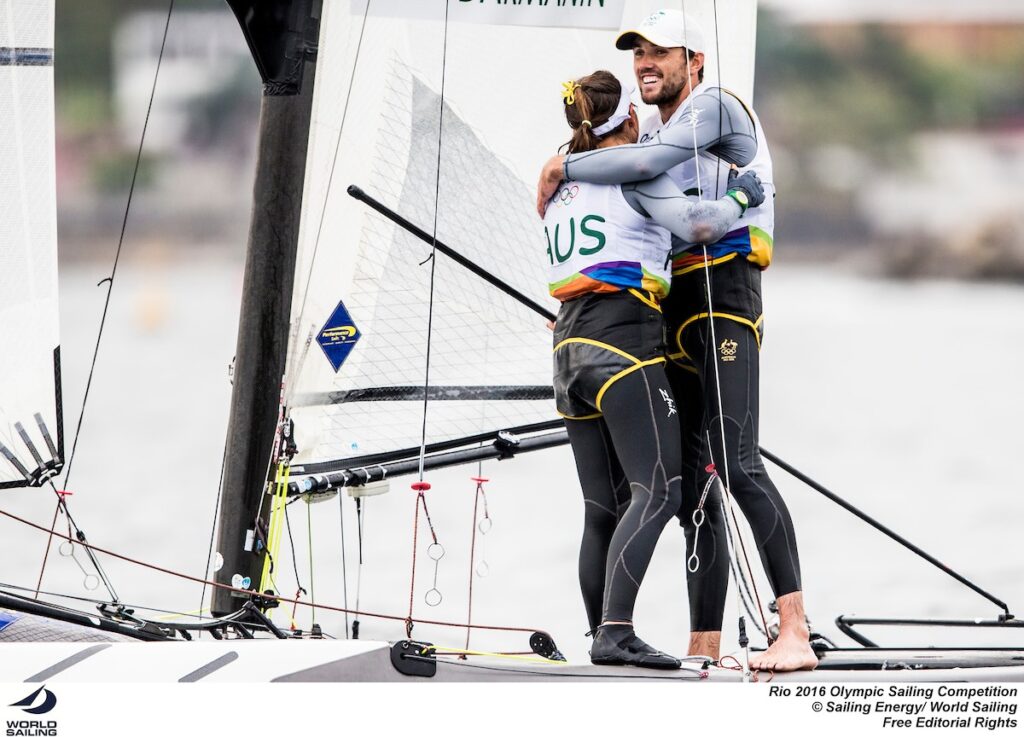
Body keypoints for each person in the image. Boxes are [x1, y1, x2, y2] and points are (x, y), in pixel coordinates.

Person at [537, 10, 818, 672]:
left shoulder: (712, 109)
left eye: (659, 52)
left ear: (694, 60)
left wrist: (563, 159)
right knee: (694, 487)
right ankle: (705, 649)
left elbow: (652, 168)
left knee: (738, 462)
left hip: (724, 300)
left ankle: (795, 629)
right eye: (637, 55)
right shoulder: (650, 130)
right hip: (672, 312)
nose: (645, 64)